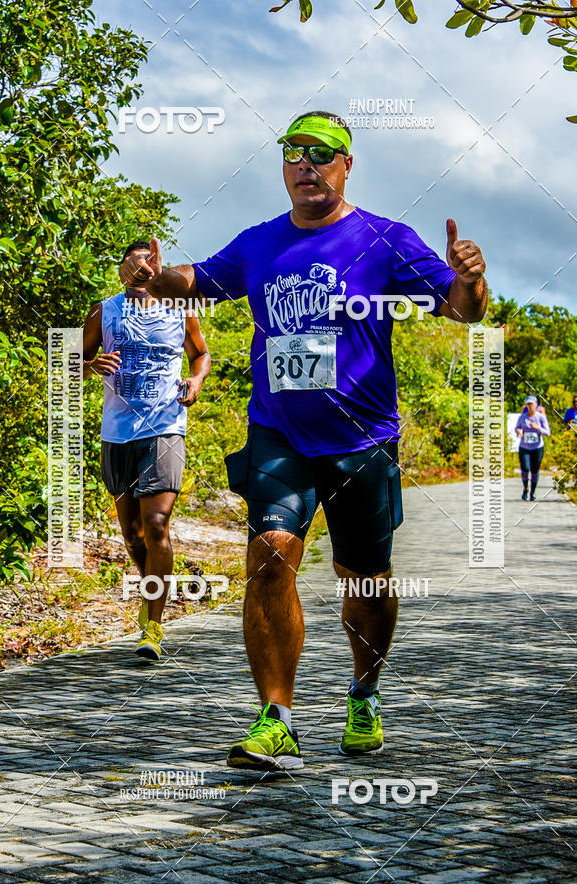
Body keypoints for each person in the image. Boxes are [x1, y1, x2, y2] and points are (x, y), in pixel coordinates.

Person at [120, 111, 488, 770]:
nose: (307, 164)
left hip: (362, 440)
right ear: (283, 166)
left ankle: (364, 692)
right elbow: (199, 280)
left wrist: (471, 277)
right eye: (295, 153)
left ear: (347, 165)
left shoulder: (384, 239)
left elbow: (461, 308)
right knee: (268, 555)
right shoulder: (260, 243)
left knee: (366, 581)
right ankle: (276, 717)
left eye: (323, 154)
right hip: (279, 432)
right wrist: (160, 278)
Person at [83, 240, 211, 660]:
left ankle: (153, 625)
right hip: (117, 433)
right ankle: (151, 593)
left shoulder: (179, 309)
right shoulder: (105, 310)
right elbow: (69, 359)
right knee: (133, 535)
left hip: (165, 427)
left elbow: (201, 355)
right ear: (122, 272)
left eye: (149, 263)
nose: (142, 270)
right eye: (134, 264)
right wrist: (89, 365)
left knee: (156, 524)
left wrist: (195, 382)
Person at [515, 395, 551, 501]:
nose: (530, 406)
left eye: (532, 404)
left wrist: (538, 428)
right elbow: (517, 427)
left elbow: (548, 432)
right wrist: (518, 432)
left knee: (535, 470)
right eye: (528, 404)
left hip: (537, 447)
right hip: (524, 446)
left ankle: (533, 492)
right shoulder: (522, 417)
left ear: (536, 405)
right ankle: (525, 488)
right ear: (526, 405)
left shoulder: (540, 417)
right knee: (525, 468)